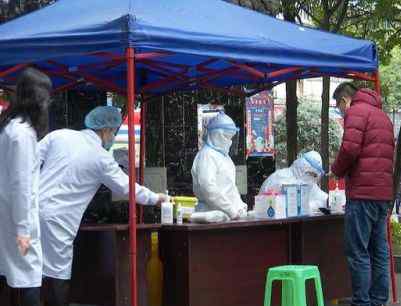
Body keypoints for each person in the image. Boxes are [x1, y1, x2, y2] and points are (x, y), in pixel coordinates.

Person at [38, 106, 167, 306]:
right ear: (106, 130)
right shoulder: (101, 157)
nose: (113, 137)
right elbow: (127, 188)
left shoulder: (59, 136)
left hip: (30, 210)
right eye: (114, 132)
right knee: (57, 274)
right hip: (59, 220)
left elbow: (30, 161)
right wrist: (155, 198)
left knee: (30, 273)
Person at [330, 83, 395, 306]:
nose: (341, 112)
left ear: (344, 100)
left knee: (358, 252)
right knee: (379, 252)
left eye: (339, 107)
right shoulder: (382, 116)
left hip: (362, 194)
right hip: (382, 194)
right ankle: (378, 301)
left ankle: (362, 302)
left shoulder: (356, 111)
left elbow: (349, 149)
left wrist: (336, 170)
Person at [0, 68, 51, 306]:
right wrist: (22, 229)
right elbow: (21, 184)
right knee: (29, 277)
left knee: (8, 272)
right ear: (37, 99)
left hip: (7, 213)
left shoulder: (9, 127)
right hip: (18, 216)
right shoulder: (22, 135)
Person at [191, 112, 247, 221]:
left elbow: (230, 187)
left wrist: (240, 206)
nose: (229, 141)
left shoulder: (225, 158)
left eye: (231, 137)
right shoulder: (206, 155)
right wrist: (231, 210)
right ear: (216, 134)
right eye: (226, 136)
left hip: (229, 216)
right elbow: (208, 189)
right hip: (211, 216)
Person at [259, 150, 328, 212]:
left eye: (314, 175)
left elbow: (323, 199)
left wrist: (309, 206)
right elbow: (264, 203)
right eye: (311, 173)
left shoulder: (310, 182)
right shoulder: (280, 177)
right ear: (303, 167)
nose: (312, 177)